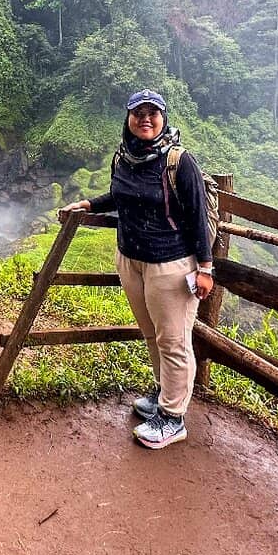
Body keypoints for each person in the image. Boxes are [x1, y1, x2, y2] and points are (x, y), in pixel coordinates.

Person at [59, 89, 213, 449]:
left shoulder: (180, 161)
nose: (146, 119)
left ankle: (173, 419)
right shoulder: (124, 158)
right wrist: (88, 203)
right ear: (128, 118)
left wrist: (205, 268)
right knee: (151, 333)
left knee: (173, 341)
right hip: (131, 260)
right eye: (138, 113)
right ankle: (163, 396)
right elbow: (119, 195)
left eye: (153, 113)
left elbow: (197, 217)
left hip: (170, 266)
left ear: (163, 118)